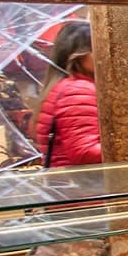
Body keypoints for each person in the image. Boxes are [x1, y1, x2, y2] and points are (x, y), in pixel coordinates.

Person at [33, 19, 102, 167]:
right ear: (79, 54)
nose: (105, 56)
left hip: (71, 185)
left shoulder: (66, 86)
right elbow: (85, 153)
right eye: (97, 49)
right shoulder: (77, 91)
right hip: (83, 187)